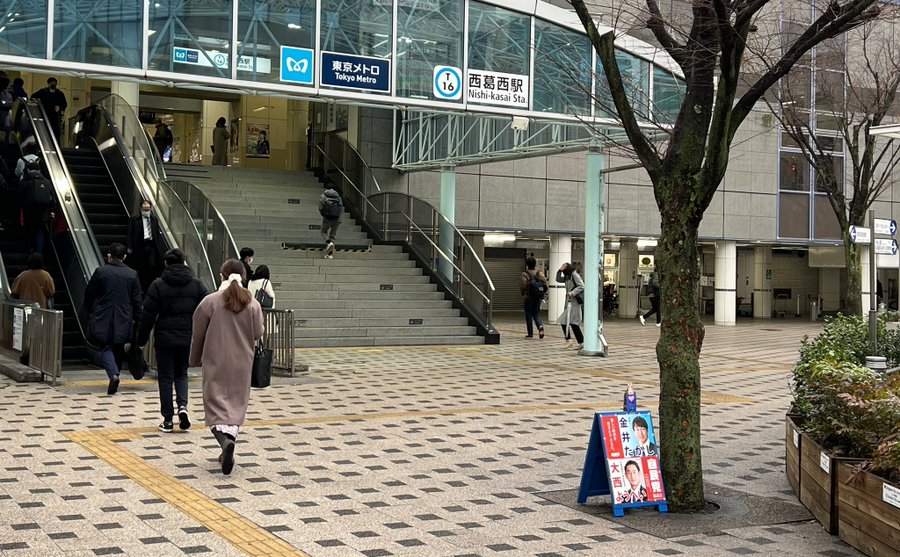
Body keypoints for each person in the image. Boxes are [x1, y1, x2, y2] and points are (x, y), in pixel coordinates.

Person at [190, 259, 265, 475]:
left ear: (221, 275)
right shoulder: (252, 304)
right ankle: (229, 442)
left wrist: (194, 359)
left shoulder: (210, 301)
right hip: (243, 362)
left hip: (216, 360)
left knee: (215, 405)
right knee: (235, 405)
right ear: (243, 277)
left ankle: (224, 442)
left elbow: (198, 333)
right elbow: (259, 332)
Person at [136, 248, 207, 433]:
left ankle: (168, 420)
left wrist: (141, 340)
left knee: (165, 378)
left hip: (165, 339)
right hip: (187, 338)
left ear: (166, 264)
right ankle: (183, 406)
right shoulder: (197, 285)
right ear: (184, 262)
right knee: (181, 374)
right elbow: (206, 312)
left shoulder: (158, 285)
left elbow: (148, 315)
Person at [84, 243, 142, 395]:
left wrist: (91, 310)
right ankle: (115, 373)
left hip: (103, 315)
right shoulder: (132, 274)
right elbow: (137, 300)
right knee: (118, 347)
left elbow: (89, 294)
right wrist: (137, 319)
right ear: (124, 257)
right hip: (124, 317)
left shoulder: (101, 272)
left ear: (109, 256)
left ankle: (113, 374)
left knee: (105, 347)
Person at [127, 200, 164, 295]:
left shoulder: (154, 219)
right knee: (139, 266)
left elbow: (156, 234)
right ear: (140, 208)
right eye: (144, 209)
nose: (146, 211)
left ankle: (149, 287)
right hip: (139, 245)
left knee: (151, 266)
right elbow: (130, 233)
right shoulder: (134, 219)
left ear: (151, 208)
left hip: (151, 245)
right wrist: (129, 246)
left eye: (148, 209)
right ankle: (139, 287)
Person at [19, 160, 55, 253]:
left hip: (28, 213)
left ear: (27, 169)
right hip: (43, 214)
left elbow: (19, 196)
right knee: (40, 232)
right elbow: (52, 199)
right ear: (39, 170)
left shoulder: (25, 181)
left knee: (28, 231)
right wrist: (51, 210)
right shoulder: (47, 182)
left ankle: (28, 252)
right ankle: (39, 254)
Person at [556, 262, 585, 349]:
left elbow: (582, 286)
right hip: (569, 302)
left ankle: (570, 340)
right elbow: (558, 280)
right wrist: (559, 271)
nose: (563, 267)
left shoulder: (574, 274)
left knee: (566, 321)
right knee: (572, 322)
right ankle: (580, 342)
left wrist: (572, 293)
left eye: (564, 266)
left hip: (574, 302)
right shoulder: (567, 276)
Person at [519, 256, 548, 339]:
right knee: (537, 313)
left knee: (528, 314)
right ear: (535, 264)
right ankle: (540, 326)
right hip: (538, 297)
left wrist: (523, 293)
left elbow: (523, 285)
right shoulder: (539, 273)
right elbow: (544, 283)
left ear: (527, 264)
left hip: (528, 297)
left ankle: (530, 333)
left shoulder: (524, 274)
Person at [318, 187, 343, 259]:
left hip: (327, 218)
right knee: (333, 235)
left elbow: (320, 208)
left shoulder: (323, 196)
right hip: (337, 219)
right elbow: (341, 208)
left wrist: (325, 215)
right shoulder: (338, 197)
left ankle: (328, 242)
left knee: (323, 232)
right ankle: (330, 254)